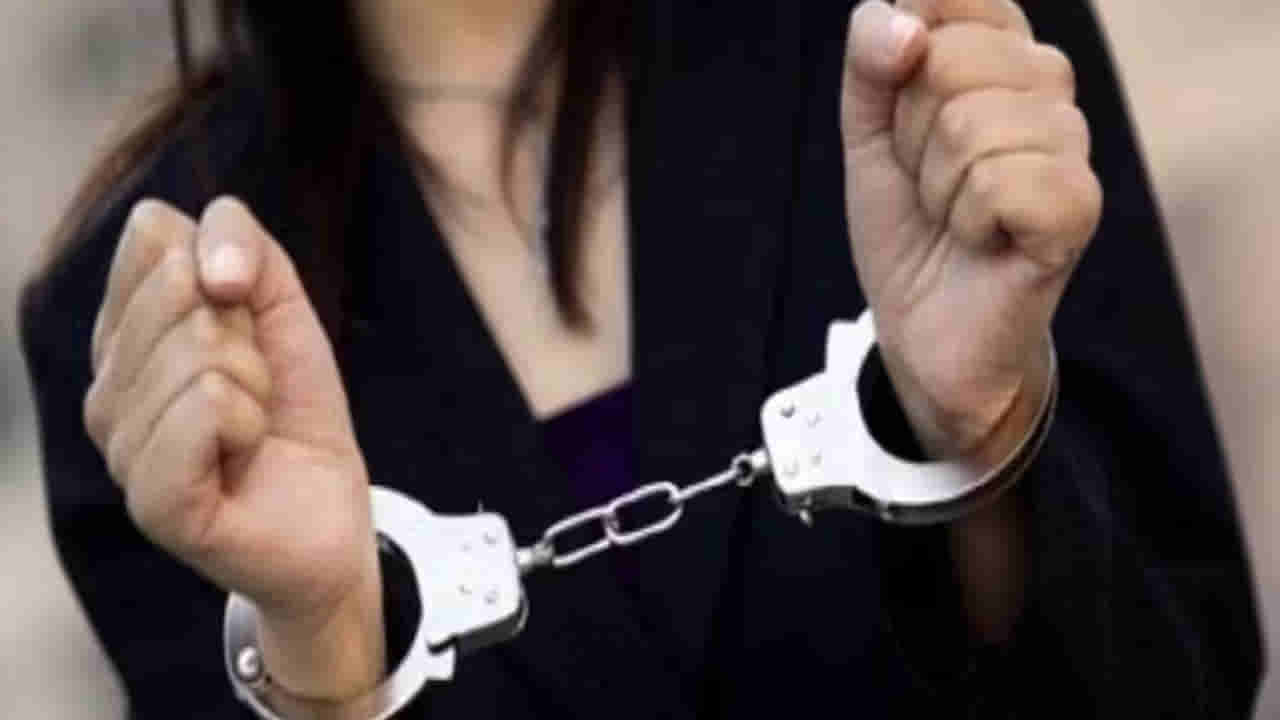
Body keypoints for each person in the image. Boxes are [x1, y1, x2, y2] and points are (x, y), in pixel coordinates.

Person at [19, 0, 1263, 717]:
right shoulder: (156, 341)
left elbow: (1186, 687)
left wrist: (975, 437)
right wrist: (323, 654)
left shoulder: (924, 47)